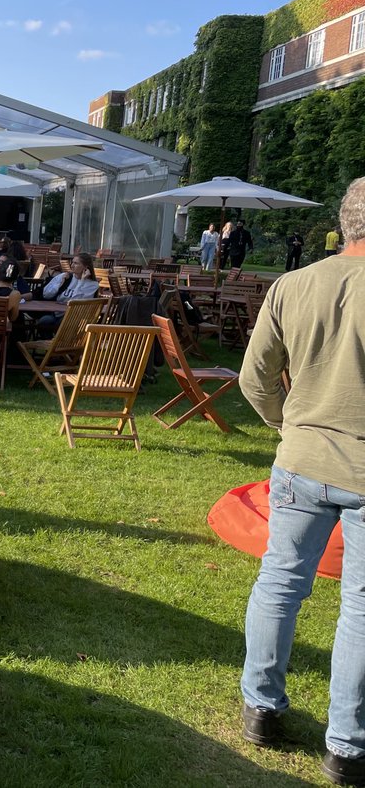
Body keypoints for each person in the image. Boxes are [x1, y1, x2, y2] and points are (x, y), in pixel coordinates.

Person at [238, 178, 365, 786]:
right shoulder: (294, 283)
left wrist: (285, 425)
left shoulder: (293, 284)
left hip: (302, 460)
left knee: (280, 584)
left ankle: (260, 707)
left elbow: (254, 378)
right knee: (360, 609)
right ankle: (345, 745)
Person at [36, 253, 100, 333]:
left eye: (76, 263)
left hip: (75, 317)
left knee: (61, 324)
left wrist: (82, 281)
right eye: (72, 262)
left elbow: (75, 302)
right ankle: (48, 343)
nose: (72, 265)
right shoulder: (65, 276)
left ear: (86, 267)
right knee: (43, 322)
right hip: (56, 313)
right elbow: (46, 295)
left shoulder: (92, 285)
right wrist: (59, 284)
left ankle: (57, 344)